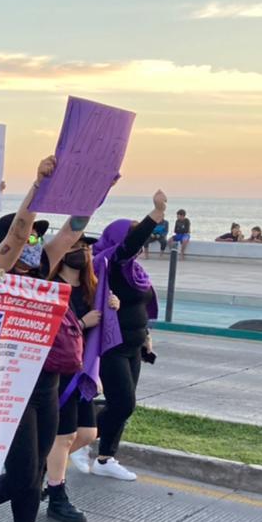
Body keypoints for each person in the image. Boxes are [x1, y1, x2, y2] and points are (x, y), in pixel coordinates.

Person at [0, 155, 96, 522]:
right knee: (24, 471)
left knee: (33, 471)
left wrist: (93, 188)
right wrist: (37, 186)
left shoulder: (42, 268)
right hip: (9, 385)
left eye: (37, 237)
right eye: (31, 235)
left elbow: (72, 232)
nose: (34, 240)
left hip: (46, 382)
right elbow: (17, 231)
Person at [83, 194, 167, 483]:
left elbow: (140, 306)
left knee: (121, 405)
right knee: (123, 404)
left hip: (134, 344)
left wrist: (146, 335)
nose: (140, 246)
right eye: (135, 239)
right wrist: (156, 213)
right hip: (113, 345)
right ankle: (76, 438)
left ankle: (105, 458)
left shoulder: (135, 271)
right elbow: (129, 244)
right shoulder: (111, 262)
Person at [42, 236, 108, 522]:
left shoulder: (93, 288)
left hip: (84, 372)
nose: (81, 252)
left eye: (85, 247)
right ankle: (57, 496)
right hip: (60, 371)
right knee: (64, 436)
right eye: (74, 246)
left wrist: (112, 307)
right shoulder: (51, 288)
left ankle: (41, 469)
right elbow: (52, 332)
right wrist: (82, 323)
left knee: (88, 433)